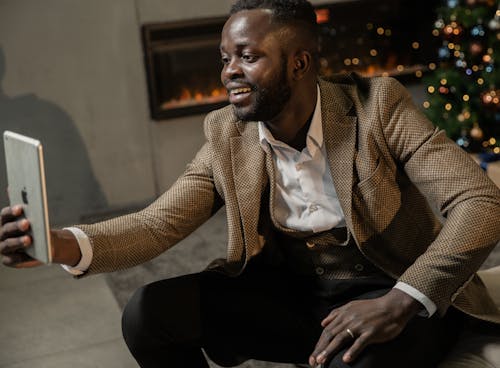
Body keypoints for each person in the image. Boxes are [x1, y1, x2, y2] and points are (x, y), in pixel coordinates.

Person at [1, 0, 500, 367]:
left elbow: (480, 202)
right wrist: (60, 244)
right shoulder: (227, 133)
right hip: (299, 297)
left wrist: (400, 301)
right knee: (147, 312)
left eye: (246, 56)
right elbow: (158, 225)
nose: (229, 73)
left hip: (393, 293)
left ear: (299, 64)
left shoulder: (377, 107)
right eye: (224, 58)